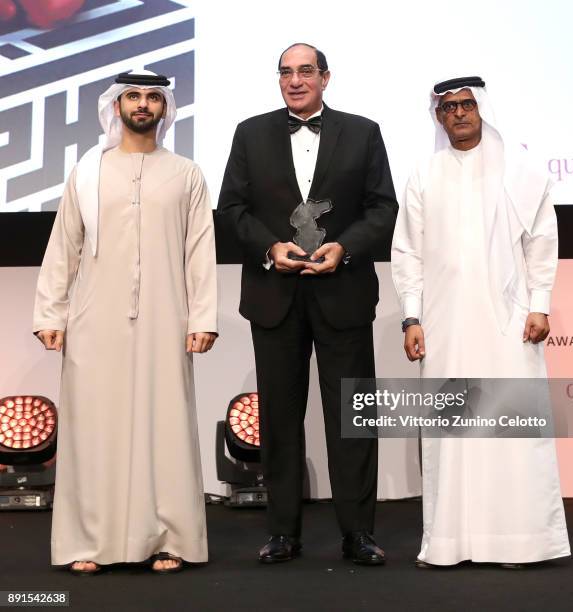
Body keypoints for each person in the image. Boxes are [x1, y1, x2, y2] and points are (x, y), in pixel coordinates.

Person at [218, 43, 397, 564]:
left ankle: (358, 533)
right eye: (285, 72)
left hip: (343, 292)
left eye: (305, 71)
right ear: (279, 80)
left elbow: (382, 207)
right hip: (275, 294)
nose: (295, 80)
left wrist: (346, 249)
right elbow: (232, 208)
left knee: (352, 417)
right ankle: (283, 532)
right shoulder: (250, 133)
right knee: (278, 418)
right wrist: (269, 249)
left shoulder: (363, 131)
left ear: (325, 77)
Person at [33, 70, 217, 575]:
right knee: (93, 427)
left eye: (153, 97)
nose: (142, 104)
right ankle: (90, 542)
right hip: (95, 318)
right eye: (133, 96)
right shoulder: (88, 171)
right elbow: (63, 245)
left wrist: (202, 316)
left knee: (167, 426)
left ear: (165, 108)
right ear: (116, 106)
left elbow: (200, 250)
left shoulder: (186, 173)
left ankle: (170, 538)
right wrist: (51, 311)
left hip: (166, 316)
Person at [391, 76, 571, 567]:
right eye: (448, 108)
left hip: (509, 322)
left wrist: (539, 303)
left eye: (467, 105)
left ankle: (521, 542)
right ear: (438, 117)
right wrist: (411, 316)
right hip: (444, 324)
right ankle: (452, 542)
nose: (459, 114)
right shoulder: (424, 174)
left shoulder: (522, 173)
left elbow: (541, 243)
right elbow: (407, 252)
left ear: (482, 110)